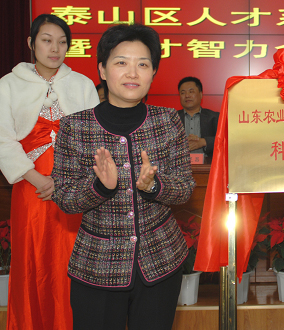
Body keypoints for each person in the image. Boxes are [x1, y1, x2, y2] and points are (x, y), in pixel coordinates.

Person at [52, 24, 195, 330]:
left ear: (153, 72)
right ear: (102, 69)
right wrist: (99, 187)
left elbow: (185, 188)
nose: (132, 73)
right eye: (121, 62)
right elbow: (63, 197)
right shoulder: (74, 127)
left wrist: (154, 185)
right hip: (97, 267)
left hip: (161, 262)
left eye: (142, 64)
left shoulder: (167, 120)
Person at [0, 14, 99, 330]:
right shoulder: (8, 85)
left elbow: (94, 140)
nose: (55, 48)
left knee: (72, 260)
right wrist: (37, 178)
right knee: (32, 261)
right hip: (30, 187)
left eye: (62, 42)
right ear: (31, 43)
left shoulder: (82, 84)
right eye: (46, 40)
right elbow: (2, 139)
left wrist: (65, 181)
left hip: (74, 191)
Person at [177, 76, 219, 163]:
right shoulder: (171, 118)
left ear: (200, 94)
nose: (187, 96)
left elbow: (226, 140)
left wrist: (204, 142)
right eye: (183, 93)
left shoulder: (215, 117)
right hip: (179, 166)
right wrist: (181, 143)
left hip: (208, 166)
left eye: (191, 91)